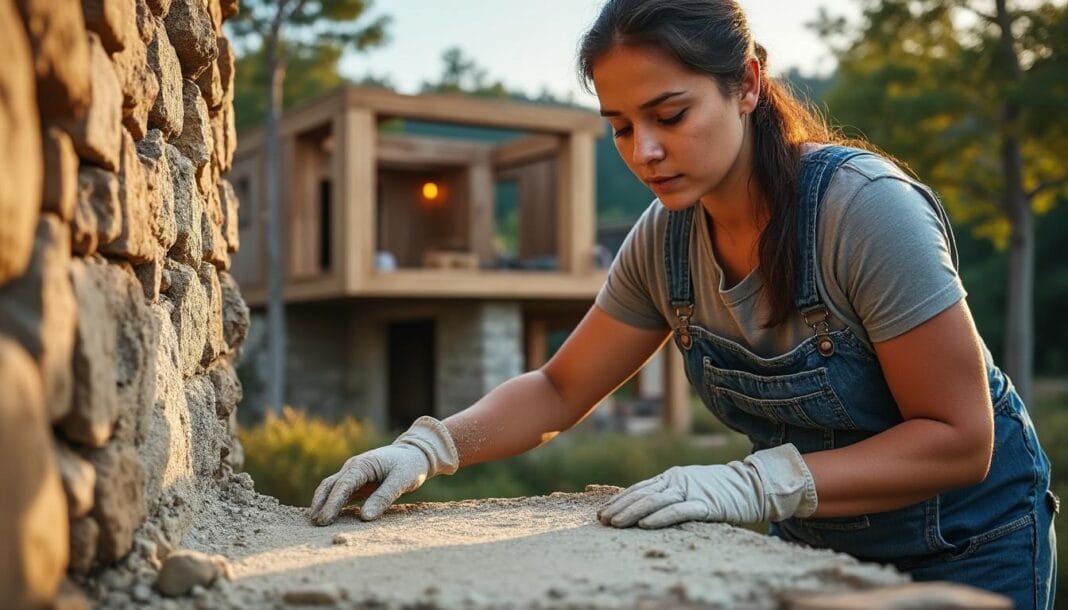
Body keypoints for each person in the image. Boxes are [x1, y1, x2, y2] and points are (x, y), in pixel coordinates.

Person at [308, 0, 1056, 607]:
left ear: (749, 84)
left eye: (670, 115)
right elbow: (559, 388)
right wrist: (430, 447)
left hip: (969, 544)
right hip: (817, 540)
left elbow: (960, 438)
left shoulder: (863, 212)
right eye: (622, 128)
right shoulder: (663, 244)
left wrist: (752, 481)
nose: (644, 152)